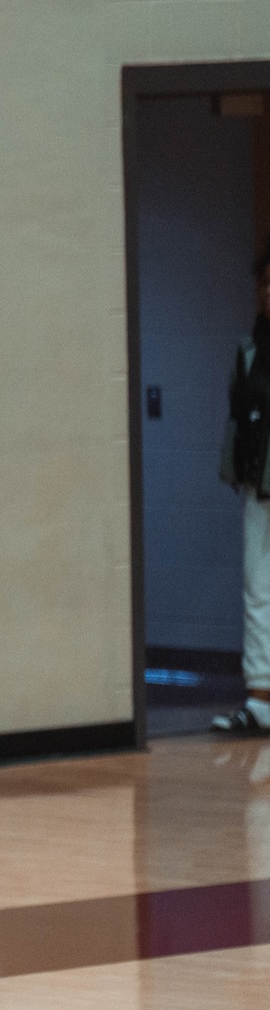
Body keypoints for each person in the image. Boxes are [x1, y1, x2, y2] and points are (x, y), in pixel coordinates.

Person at [216, 249, 270, 733]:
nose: (269, 292)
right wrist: (235, 469)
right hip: (259, 487)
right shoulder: (248, 350)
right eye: (265, 283)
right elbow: (237, 416)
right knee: (257, 589)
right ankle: (260, 697)